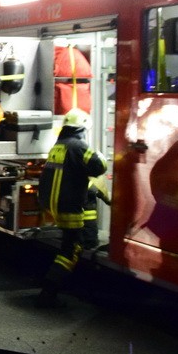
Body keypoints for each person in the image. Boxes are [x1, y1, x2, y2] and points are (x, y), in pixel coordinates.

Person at [36, 108, 108, 307]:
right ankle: (49, 290)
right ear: (82, 128)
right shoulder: (77, 146)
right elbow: (99, 165)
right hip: (68, 206)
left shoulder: (58, 146)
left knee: (89, 201)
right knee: (71, 248)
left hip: (55, 204)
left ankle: (88, 243)